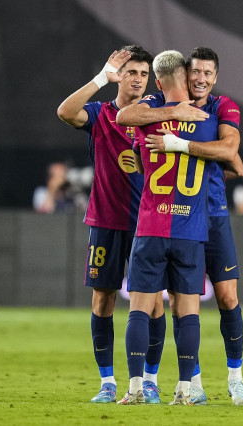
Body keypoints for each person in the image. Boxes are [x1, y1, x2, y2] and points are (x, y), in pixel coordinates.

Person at [117, 46, 243, 406]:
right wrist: (174, 113)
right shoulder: (163, 104)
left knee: (226, 297)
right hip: (184, 219)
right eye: (197, 72)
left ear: (216, 77)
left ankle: (235, 378)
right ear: (186, 74)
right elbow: (232, 161)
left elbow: (232, 155)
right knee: (181, 303)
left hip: (211, 213)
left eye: (209, 73)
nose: (202, 78)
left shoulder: (221, 107)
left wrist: (178, 144)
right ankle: (190, 383)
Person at [57, 46, 170, 404]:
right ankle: (107, 382)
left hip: (147, 224)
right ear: (118, 75)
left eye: (143, 73)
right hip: (105, 220)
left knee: (152, 303)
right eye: (131, 72)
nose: (137, 79)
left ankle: (149, 381)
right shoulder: (100, 114)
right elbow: (65, 112)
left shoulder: (156, 115)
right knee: (103, 299)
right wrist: (98, 79)